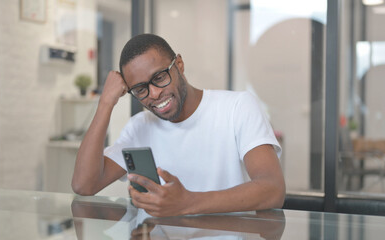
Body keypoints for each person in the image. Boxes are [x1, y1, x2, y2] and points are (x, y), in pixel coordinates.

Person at [72, 34, 285, 217]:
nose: (154, 94)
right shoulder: (139, 126)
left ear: (179, 65)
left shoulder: (237, 107)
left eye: (159, 77)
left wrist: (188, 203)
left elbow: (273, 189)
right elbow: (84, 185)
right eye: (140, 89)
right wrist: (105, 103)